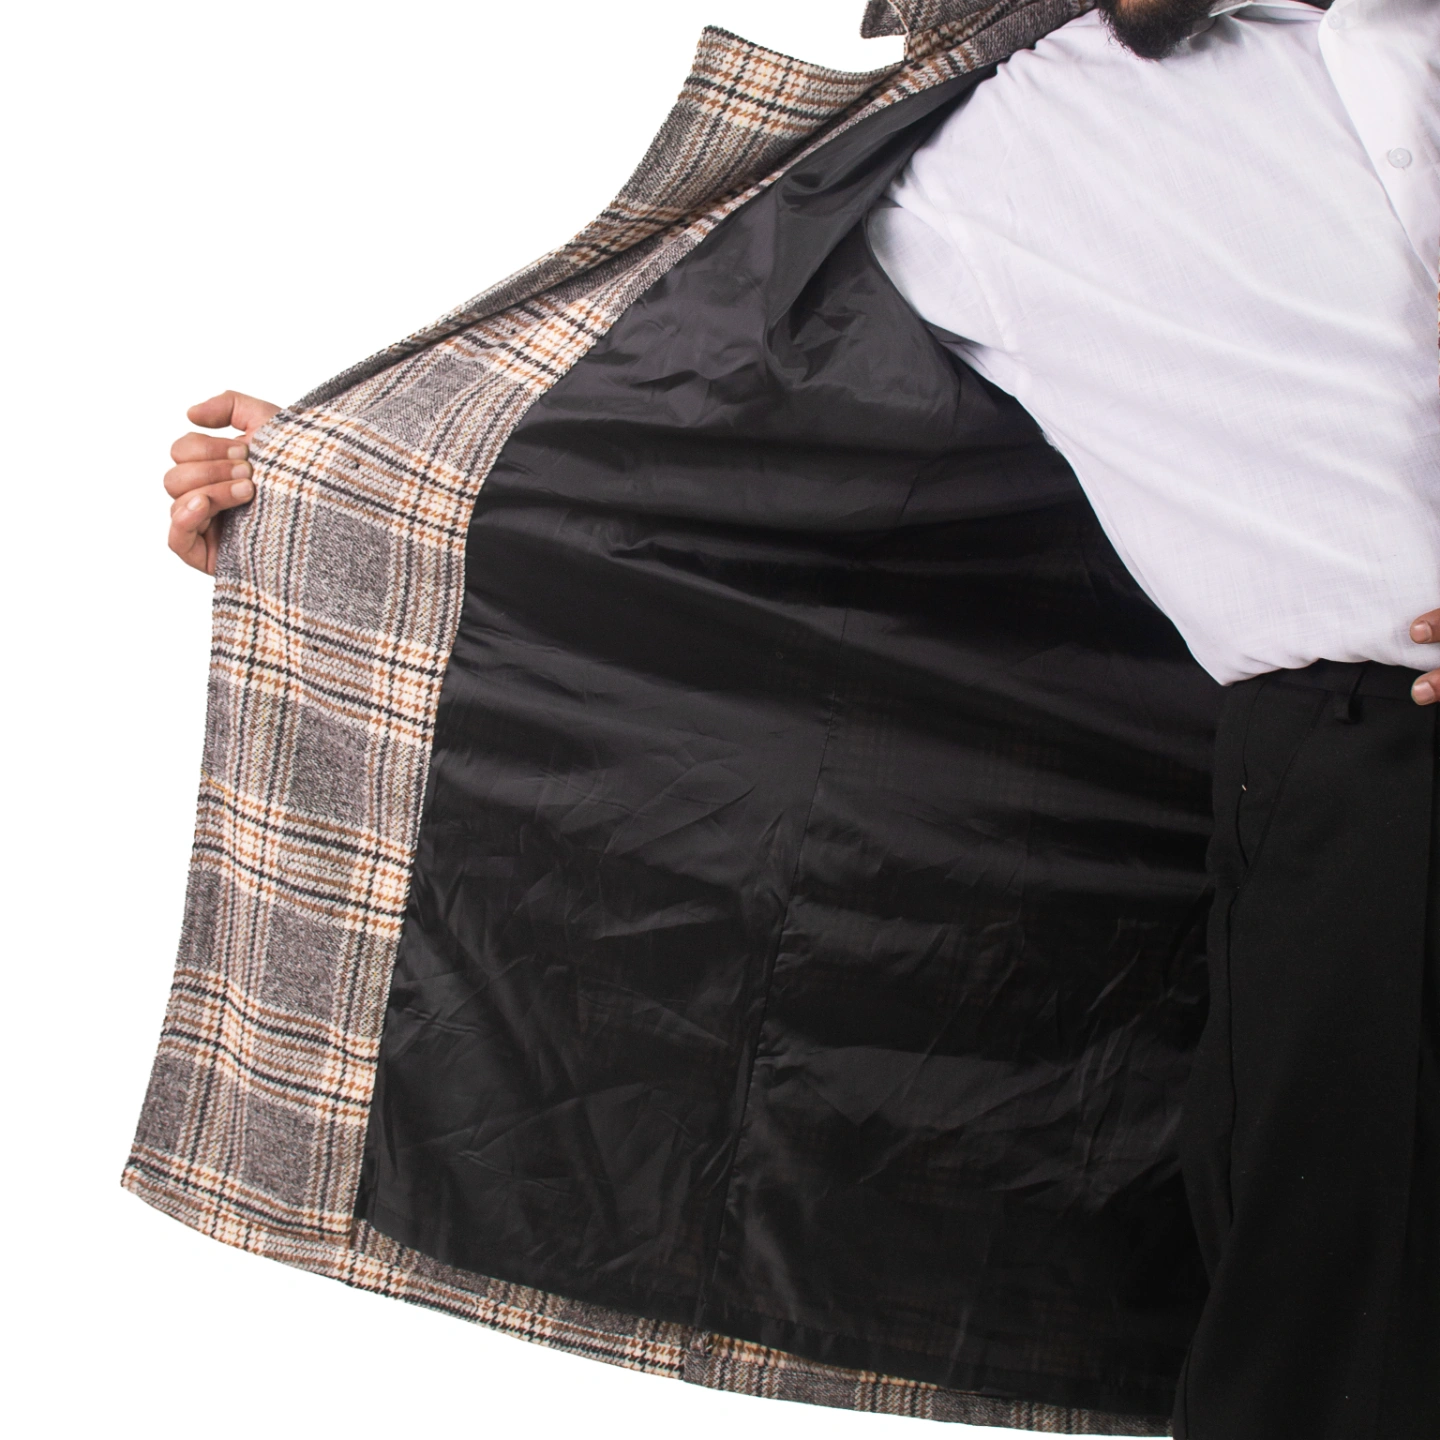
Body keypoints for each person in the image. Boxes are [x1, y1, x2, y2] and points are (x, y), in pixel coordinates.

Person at [144, 1, 1438, 1434]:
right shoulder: (969, 144)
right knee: (1341, 1352)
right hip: (1364, 798)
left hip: (1363, 797)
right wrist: (345, 484)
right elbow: (698, 477)